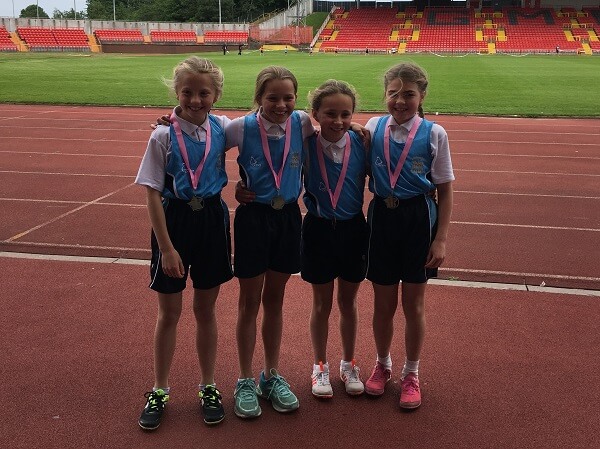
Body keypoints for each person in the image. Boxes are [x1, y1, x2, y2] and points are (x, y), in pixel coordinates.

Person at [135, 56, 233, 429]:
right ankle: (160, 389)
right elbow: (151, 195)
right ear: (176, 93)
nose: (195, 100)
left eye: (204, 93)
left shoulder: (224, 128)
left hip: (211, 220)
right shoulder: (161, 134)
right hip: (173, 222)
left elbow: (272, 126)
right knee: (169, 313)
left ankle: (208, 386)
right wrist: (167, 247)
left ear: (216, 95)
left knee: (206, 311)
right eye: (187, 92)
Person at [226, 66, 316, 419]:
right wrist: (169, 120)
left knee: (275, 301)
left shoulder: (304, 122)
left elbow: (331, 130)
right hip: (254, 218)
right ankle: (245, 379)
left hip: (289, 217)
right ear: (259, 98)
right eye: (273, 97)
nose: (281, 104)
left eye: (288, 97)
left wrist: (356, 126)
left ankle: (271, 374)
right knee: (249, 302)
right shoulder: (239, 127)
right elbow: (200, 139)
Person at [363, 62, 454, 409]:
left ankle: (411, 372)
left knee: (413, 305)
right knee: (382, 303)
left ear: (422, 96)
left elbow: (445, 190)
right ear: (384, 94)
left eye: (409, 94)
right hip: (382, 219)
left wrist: (441, 238)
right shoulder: (373, 126)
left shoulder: (434, 133)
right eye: (393, 93)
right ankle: (382, 364)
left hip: (419, 218)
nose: (400, 101)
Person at [302, 80, 368, 399]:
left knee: (348, 302)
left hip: (353, 229)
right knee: (321, 303)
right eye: (330, 113)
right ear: (315, 113)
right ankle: (319, 366)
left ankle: (348, 363)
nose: (338, 121)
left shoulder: (363, 142)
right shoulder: (304, 142)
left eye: (345, 114)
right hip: (317, 228)